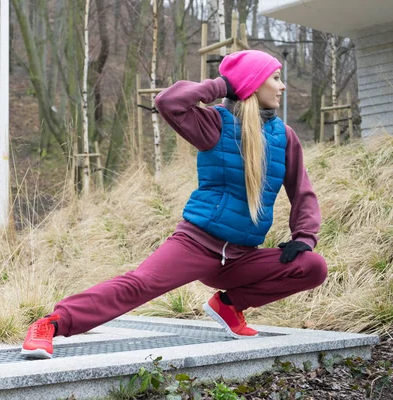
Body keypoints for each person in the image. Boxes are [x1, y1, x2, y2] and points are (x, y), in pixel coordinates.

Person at [21, 50, 328, 359]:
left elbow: (302, 192)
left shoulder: (284, 137)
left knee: (312, 266)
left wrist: (304, 237)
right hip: (196, 245)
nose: (282, 86)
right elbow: (168, 102)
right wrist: (222, 85)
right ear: (253, 83)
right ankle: (51, 324)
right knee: (138, 285)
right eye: (275, 78)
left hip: (240, 258)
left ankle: (229, 305)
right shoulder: (214, 125)